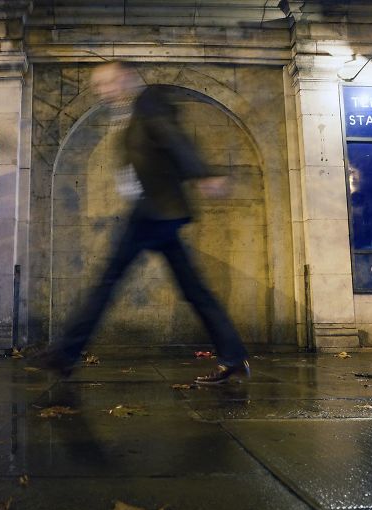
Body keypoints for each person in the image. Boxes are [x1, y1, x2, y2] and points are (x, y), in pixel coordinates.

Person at [38, 61, 250, 384]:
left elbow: (173, 137)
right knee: (194, 289)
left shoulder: (149, 103)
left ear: (126, 78)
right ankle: (233, 357)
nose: (103, 91)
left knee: (107, 281)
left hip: (153, 209)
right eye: (99, 86)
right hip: (156, 212)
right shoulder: (128, 112)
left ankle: (64, 354)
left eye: (108, 83)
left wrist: (203, 174)